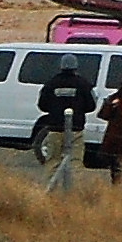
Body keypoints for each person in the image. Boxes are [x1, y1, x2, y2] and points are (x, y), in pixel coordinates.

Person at [35, 61, 95, 191]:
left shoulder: (51, 83)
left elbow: (42, 105)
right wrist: (79, 109)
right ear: (75, 67)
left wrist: (55, 109)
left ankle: (50, 192)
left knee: (52, 162)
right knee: (75, 162)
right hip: (76, 129)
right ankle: (74, 193)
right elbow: (91, 105)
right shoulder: (83, 83)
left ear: (61, 66)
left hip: (55, 128)